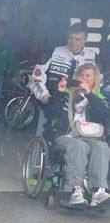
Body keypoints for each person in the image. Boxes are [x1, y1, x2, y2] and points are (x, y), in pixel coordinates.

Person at [45, 63, 110, 208]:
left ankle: (98, 190)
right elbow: (49, 113)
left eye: (88, 76)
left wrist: (89, 95)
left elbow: (105, 115)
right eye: (81, 75)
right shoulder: (66, 93)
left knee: (102, 147)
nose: (84, 78)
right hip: (64, 136)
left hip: (91, 138)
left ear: (95, 79)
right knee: (79, 145)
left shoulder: (99, 97)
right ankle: (76, 191)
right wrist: (60, 91)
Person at [31, 23, 95, 135]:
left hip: (80, 109)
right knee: (42, 137)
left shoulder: (92, 57)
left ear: (85, 40)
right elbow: (36, 78)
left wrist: (91, 99)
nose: (73, 42)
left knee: (74, 143)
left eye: (77, 39)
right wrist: (43, 95)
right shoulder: (53, 52)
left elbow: (99, 83)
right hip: (52, 103)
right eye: (70, 38)